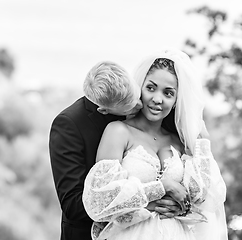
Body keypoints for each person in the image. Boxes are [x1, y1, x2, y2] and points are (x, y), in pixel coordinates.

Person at [82, 49, 228, 240]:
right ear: (140, 88)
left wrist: (201, 144)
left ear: (177, 100)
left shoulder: (180, 142)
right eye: (151, 88)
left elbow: (205, 199)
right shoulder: (118, 131)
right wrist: (162, 187)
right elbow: (99, 202)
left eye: (168, 93)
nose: (157, 99)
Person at [49, 60, 179, 240]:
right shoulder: (69, 125)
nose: (140, 106)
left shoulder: (159, 116)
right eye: (131, 106)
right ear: (104, 110)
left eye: (137, 95)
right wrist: (150, 200)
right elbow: (73, 205)